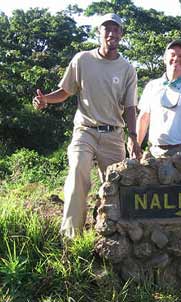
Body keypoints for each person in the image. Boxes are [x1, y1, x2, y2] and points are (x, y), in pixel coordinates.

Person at [32, 13, 141, 238]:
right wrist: (45, 100)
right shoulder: (82, 60)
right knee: (78, 171)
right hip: (85, 130)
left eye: (116, 29)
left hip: (113, 134)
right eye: (106, 29)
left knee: (116, 185)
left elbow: (130, 107)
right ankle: (72, 236)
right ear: (99, 33)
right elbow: (65, 92)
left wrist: (133, 136)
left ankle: (109, 233)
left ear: (121, 34)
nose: (111, 33)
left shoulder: (127, 69)